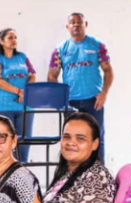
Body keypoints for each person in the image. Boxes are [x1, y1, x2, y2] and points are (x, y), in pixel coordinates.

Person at [48, 12, 113, 161]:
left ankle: (99, 174)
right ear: (67, 26)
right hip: (70, 102)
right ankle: (73, 174)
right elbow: (52, 75)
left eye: (79, 22)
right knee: (72, 140)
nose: (76, 24)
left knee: (97, 138)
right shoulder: (60, 49)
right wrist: (60, 99)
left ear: (86, 24)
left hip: (93, 100)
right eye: (72, 22)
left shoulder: (97, 46)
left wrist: (104, 93)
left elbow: (108, 70)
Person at [0, 29, 36, 163]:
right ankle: (0, 182)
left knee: (23, 145)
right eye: (10, 38)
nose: (14, 41)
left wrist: (25, 92)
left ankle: (23, 179)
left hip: (24, 107)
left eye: (15, 38)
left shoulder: (22, 57)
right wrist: (19, 92)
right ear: (1, 41)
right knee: (1, 147)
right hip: (0, 107)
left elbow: (32, 75)